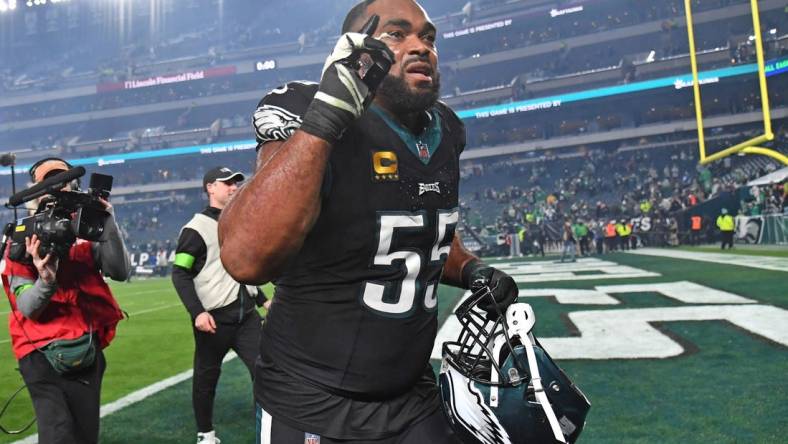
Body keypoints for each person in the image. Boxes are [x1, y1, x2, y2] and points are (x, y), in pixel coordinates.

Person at [218, 0, 519, 442]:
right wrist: (323, 121)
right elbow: (246, 258)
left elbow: (420, 231)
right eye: (397, 35)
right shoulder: (303, 106)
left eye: (428, 37)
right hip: (312, 397)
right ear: (354, 49)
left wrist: (470, 268)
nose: (421, 47)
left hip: (411, 392)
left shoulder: (446, 128)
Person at [1, 157, 130, 444]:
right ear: (35, 190)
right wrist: (46, 280)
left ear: (74, 185)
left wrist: (108, 222)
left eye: (61, 180)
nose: (55, 189)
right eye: (48, 182)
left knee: (85, 436)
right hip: (39, 351)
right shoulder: (21, 240)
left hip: (84, 348)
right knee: (57, 434)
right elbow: (28, 308)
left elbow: (120, 271)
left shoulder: (87, 233)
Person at [172, 166, 269, 444]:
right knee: (206, 377)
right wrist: (197, 312)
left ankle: (268, 427)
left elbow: (241, 270)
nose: (233, 187)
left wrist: (262, 300)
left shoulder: (240, 222)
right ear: (210, 188)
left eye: (236, 183)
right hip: (214, 317)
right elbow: (180, 273)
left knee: (265, 371)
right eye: (226, 183)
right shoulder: (195, 229)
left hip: (247, 315)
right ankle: (206, 434)